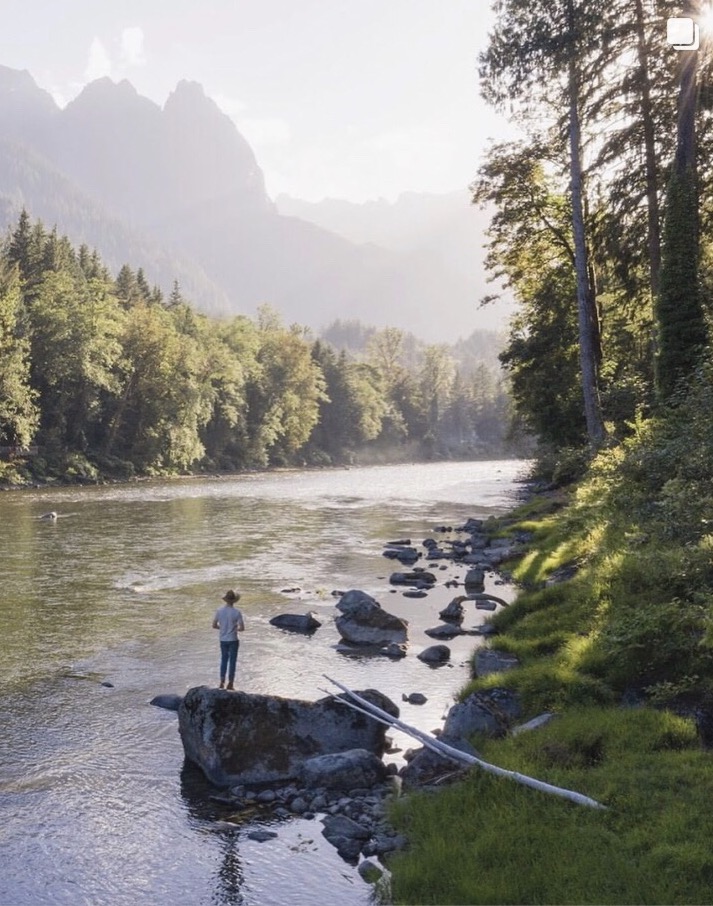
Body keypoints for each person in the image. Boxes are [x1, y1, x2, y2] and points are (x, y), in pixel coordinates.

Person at [212, 590, 245, 690]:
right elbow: (242, 628)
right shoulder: (237, 612)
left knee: (224, 660)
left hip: (223, 639)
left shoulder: (219, 611)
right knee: (232, 661)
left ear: (225, 600)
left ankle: (222, 681)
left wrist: (222, 629)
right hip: (233, 639)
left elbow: (214, 625)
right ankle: (230, 683)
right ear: (234, 601)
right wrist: (235, 629)